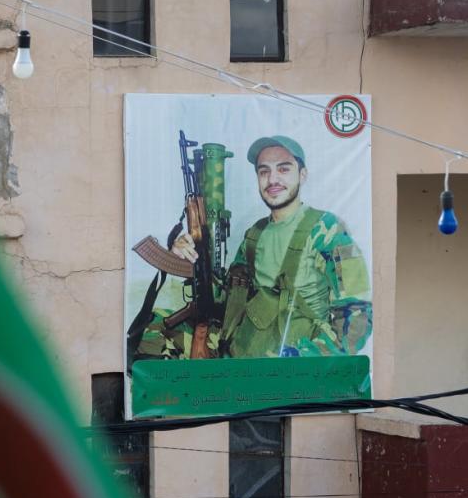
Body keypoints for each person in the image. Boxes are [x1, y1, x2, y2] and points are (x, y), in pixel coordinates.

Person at [136, 135, 371, 360]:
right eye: (264, 171)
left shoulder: (327, 230)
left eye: (284, 169)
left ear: (303, 175)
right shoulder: (255, 234)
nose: (272, 179)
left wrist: (304, 360)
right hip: (244, 346)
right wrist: (191, 259)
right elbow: (227, 301)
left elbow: (358, 316)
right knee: (151, 331)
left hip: (288, 360)